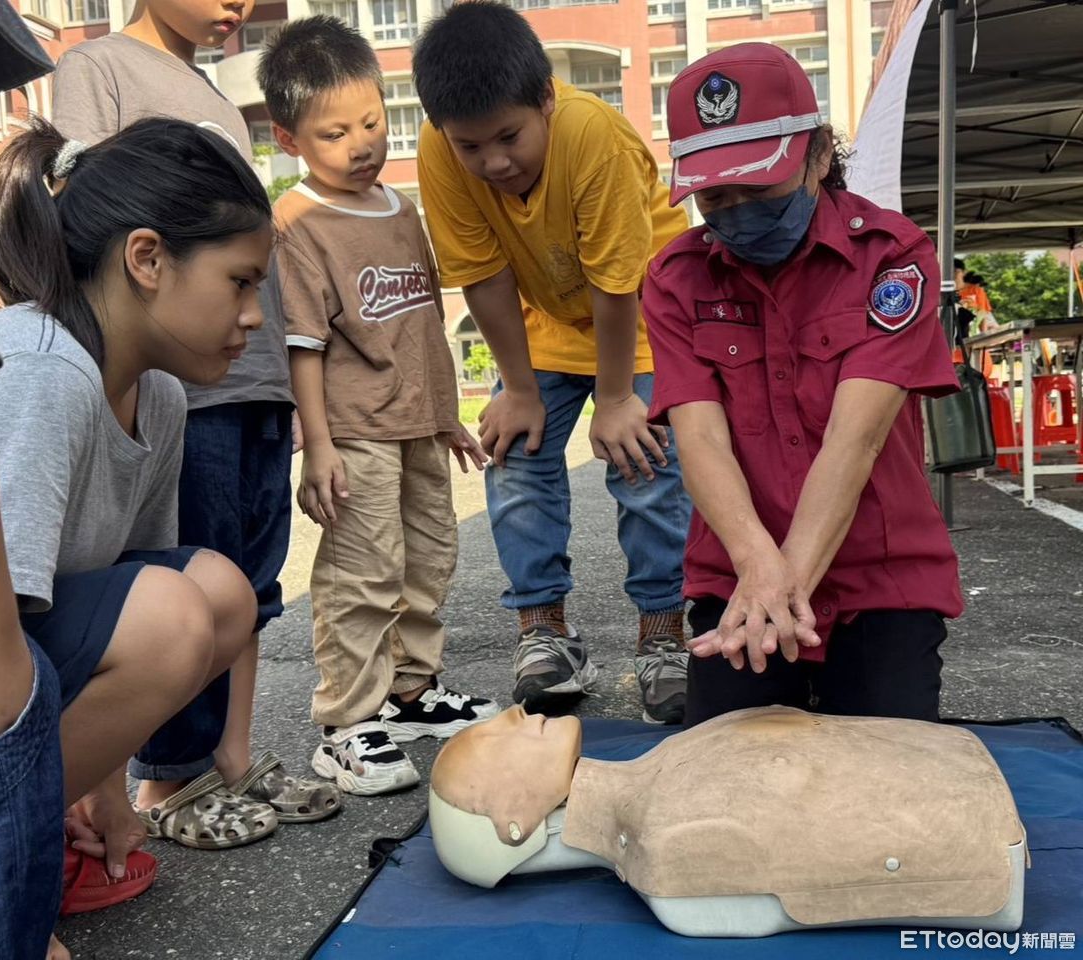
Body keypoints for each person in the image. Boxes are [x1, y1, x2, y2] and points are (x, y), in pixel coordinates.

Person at [0, 117, 283, 958]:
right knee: (173, 617)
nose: (255, 316)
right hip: (1, 661)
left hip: (28, 671)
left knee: (217, 594)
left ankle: (51, 823)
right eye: (239, 282)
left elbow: (126, 578)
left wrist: (106, 789)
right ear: (148, 259)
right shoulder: (43, 369)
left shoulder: (156, 396)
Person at [49, 0, 338, 831]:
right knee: (172, 594)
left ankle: (228, 760)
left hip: (239, 381)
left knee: (243, 583)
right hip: (183, 378)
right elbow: (81, 217)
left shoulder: (208, 90)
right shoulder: (98, 66)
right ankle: (158, 777)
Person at [642, 44, 963, 727]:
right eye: (714, 196)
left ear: (818, 155)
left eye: (756, 190)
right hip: (738, 571)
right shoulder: (676, 278)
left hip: (882, 577)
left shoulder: (892, 259)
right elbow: (699, 439)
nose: (733, 213)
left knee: (887, 784)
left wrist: (779, 585)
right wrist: (758, 569)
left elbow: (856, 440)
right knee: (726, 787)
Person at [413, 1, 692, 724]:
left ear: (545, 99)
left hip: (639, 317)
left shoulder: (591, 135)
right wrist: (519, 389)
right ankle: (545, 635)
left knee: (647, 465)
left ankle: (663, 636)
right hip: (544, 322)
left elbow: (615, 279)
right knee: (516, 456)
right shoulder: (441, 150)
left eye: (509, 137)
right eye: (472, 147)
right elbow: (482, 272)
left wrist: (617, 400)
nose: (494, 162)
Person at [256, 17, 498, 796]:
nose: (362, 143)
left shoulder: (399, 206)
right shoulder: (296, 225)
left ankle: (411, 694)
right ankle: (346, 725)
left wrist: (447, 411)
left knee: (428, 557)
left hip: (418, 421)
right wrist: (318, 444)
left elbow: (422, 319)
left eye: (372, 122)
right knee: (363, 572)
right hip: (355, 429)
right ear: (289, 138)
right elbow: (304, 345)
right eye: (336, 132)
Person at [425, 706, 1026, 937]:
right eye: (494, 740)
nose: (510, 712)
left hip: (960, 783)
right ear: (515, 823)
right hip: (975, 825)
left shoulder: (665, 773)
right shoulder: (669, 844)